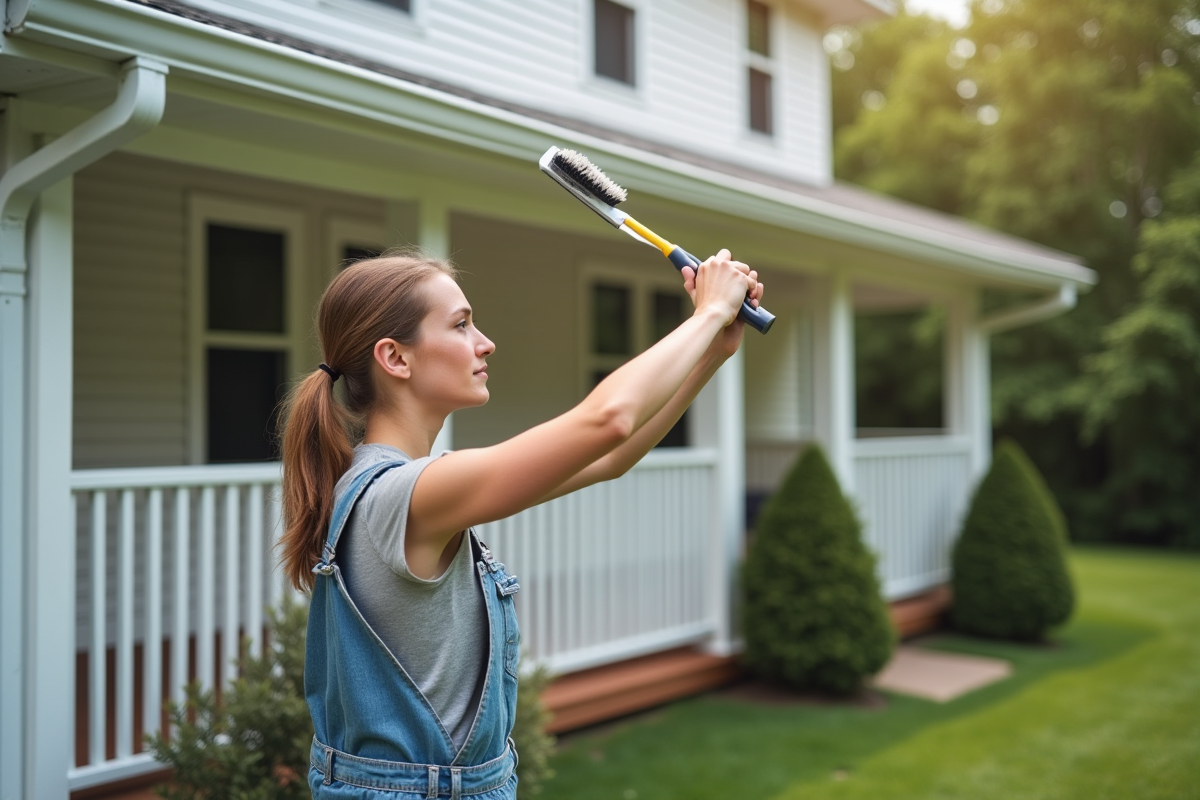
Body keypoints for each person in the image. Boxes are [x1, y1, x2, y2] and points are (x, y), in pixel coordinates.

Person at [279, 248, 763, 799]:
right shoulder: (405, 495)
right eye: (461, 325)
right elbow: (607, 421)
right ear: (395, 358)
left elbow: (611, 457)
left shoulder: (400, 488)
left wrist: (713, 351)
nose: (485, 343)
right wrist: (705, 316)